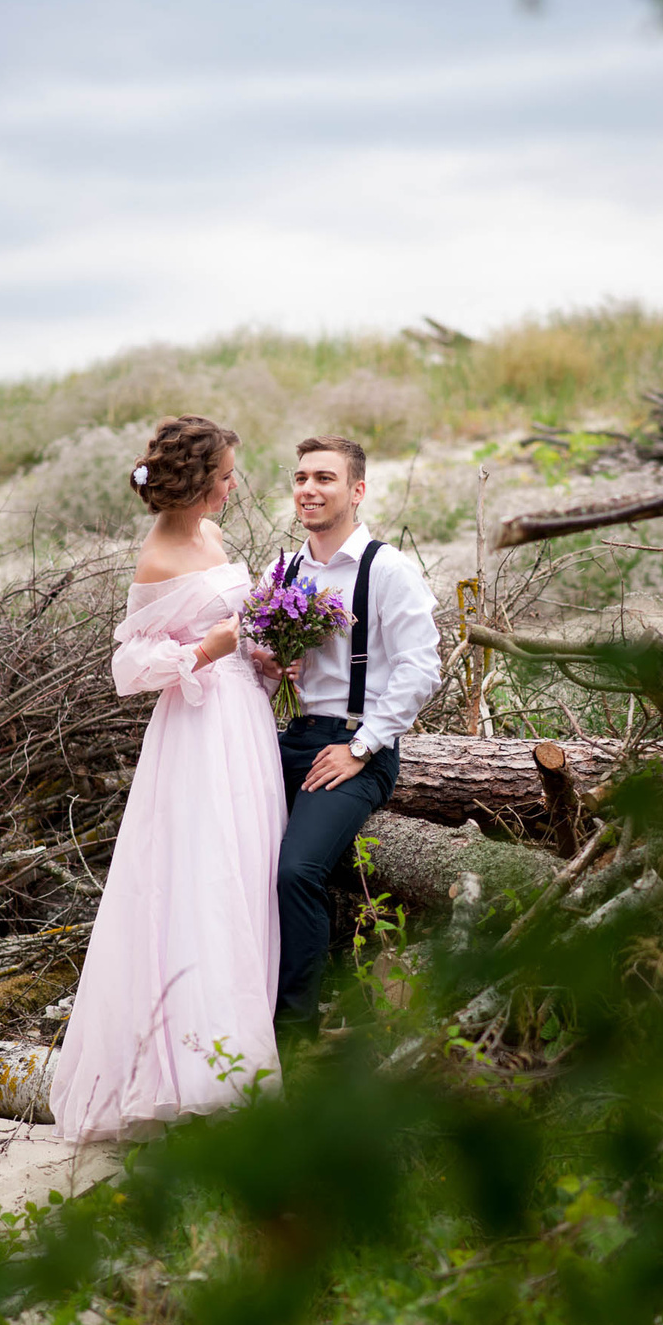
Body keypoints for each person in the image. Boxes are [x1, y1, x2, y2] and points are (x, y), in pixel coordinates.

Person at [50, 415, 285, 1143]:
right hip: (196, 732)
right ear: (194, 482)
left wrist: (267, 654)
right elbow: (131, 669)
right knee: (200, 880)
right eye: (223, 477)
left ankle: (245, 1039)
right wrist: (209, 648)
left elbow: (242, 627)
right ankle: (198, 1076)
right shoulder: (155, 560)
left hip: (244, 719)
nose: (232, 486)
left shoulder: (213, 539)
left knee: (249, 869)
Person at [264, 435, 441, 1039]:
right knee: (232, 860)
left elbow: (422, 669)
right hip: (290, 737)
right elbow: (255, 660)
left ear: (357, 490)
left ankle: (293, 1035)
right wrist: (270, 665)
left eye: (325, 479)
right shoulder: (282, 570)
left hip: (355, 748)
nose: (308, 490)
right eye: (300, 478)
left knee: (295, 872)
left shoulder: (387, 570)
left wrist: (363, 746)